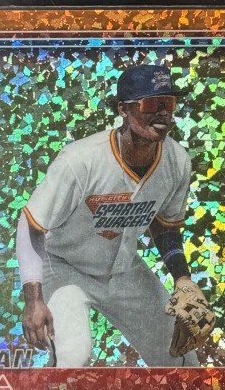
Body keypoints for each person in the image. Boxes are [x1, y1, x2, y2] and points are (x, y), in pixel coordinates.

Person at [15, 64, 210, 367]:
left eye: (168, 103)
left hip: (124, 272)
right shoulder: (81, 160)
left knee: (182, 362)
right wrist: (33, 299)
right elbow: (31, 224)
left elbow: (165, 226)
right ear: (123, 109)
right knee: (73, 356)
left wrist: (182, 278)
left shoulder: (177, 161)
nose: (162, 113)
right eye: (151, 104)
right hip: (66, 268)